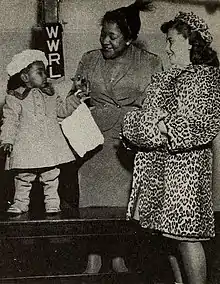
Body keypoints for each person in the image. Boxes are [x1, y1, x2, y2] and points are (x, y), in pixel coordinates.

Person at [122, 11, 220, 284]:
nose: (167, 48)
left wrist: (163, 126)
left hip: (186, 172)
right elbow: (134, 124)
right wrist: (158, 127)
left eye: (172, 41)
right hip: (156, 169)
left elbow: (202, 126)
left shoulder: (207, 79)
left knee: (186, 237)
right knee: (165, 237)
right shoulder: (162, 79)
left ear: (191, 41)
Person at [71, 0, 163, 274]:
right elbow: (74, 97)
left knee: (122, 203)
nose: (105, 41)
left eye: (113, 36)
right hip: (93, 141)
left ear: (131, 38)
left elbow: (156, 106)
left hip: (128, 141)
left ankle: (118, 257)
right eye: (103, 34)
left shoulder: (150, 62)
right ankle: (93, 257)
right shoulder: (89, 59)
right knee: (91, 204)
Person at [0, 49, 81, 214]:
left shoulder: (51, 95)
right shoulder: (15, 98)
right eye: (40, 72)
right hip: (27, 146)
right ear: (25, 77)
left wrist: (77, 97)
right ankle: (21, 203)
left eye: (45, 72)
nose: (45, 76)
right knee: (23, 176)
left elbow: (62, 110)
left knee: (51, 175)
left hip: (48, 145)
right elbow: (9, 121)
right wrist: (7, 140)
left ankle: (52, 203)